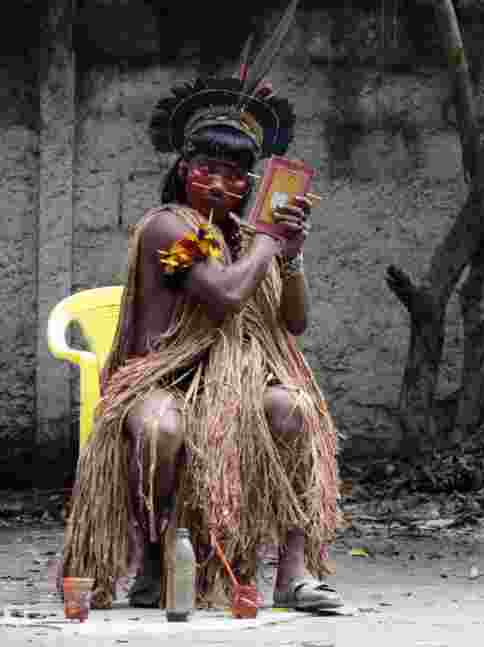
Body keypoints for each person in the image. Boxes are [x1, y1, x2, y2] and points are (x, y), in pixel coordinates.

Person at [61, 0, 344, 612]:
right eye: (206, 170)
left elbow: (293, 323)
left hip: (242, 385)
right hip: (165, 379)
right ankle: (158, 559)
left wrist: (289, 254)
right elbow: (223, 295)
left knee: (296, 407)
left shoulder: (250, 241)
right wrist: (270, 239)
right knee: (164, 428)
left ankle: (293, 574)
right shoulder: (168, 226)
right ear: (183, 169)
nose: (219, 185)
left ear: (251, 183)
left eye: (236, 176)